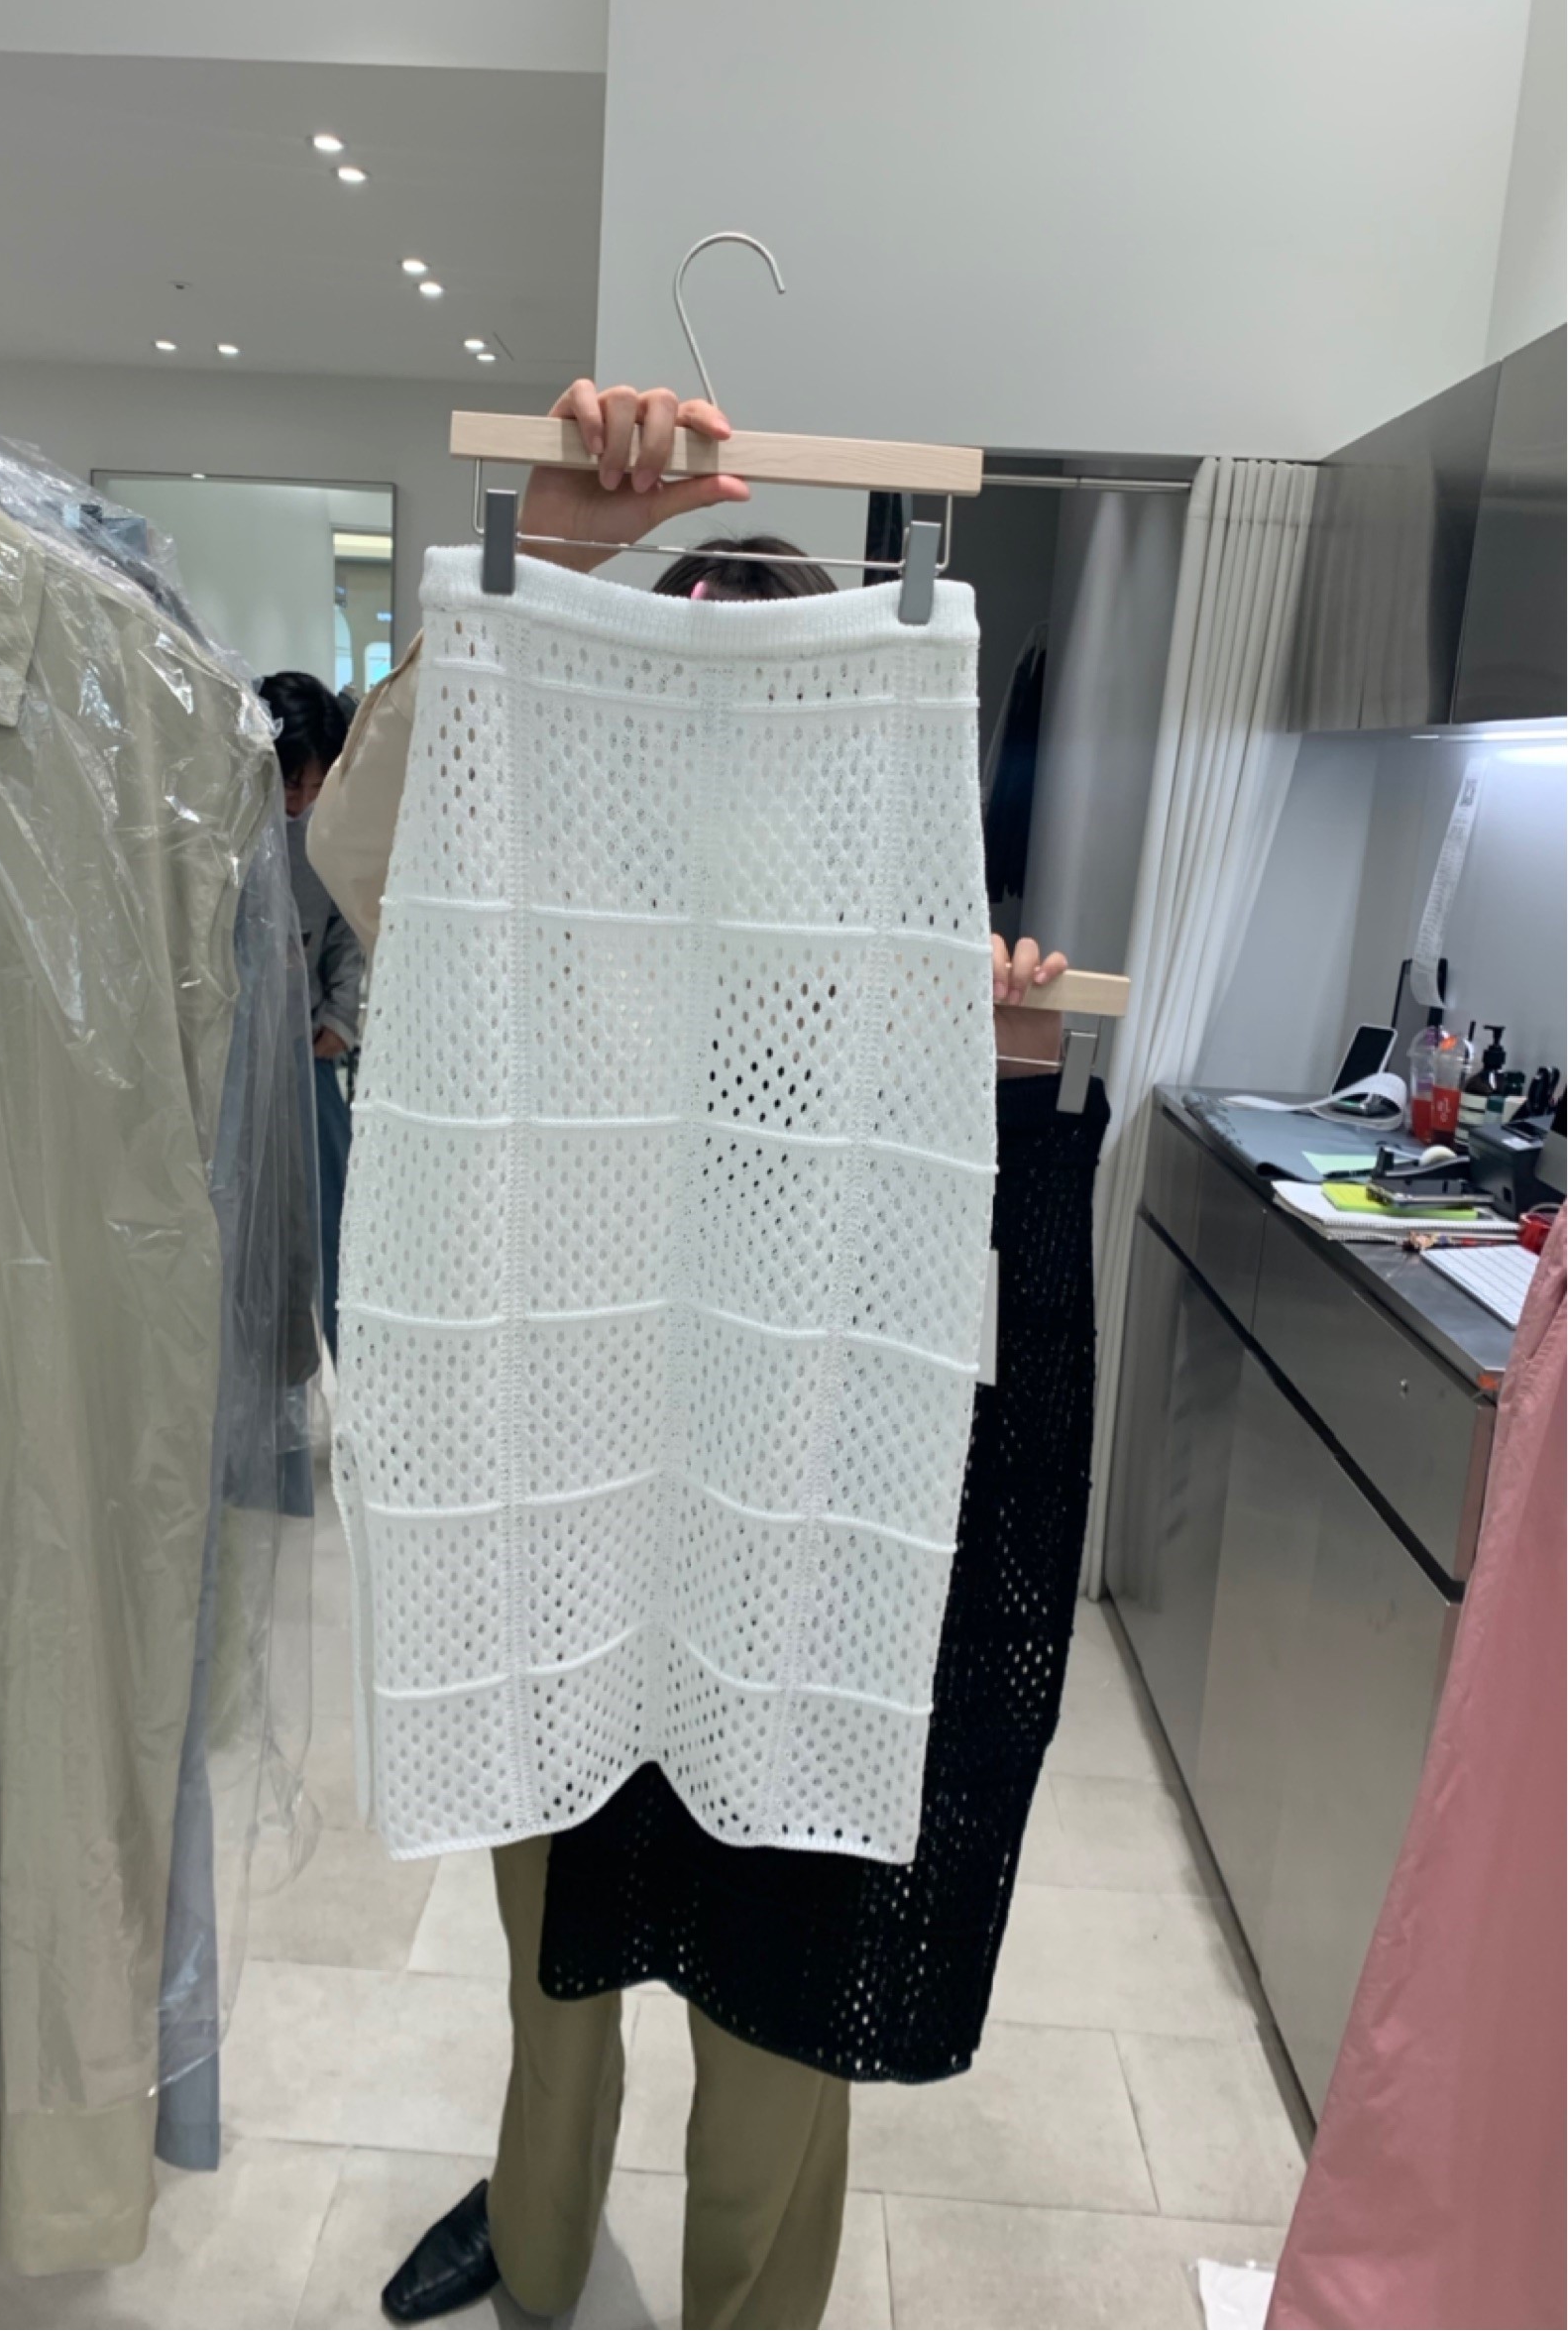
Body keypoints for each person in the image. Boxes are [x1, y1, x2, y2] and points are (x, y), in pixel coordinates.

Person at [307, 383, 1066, 2330]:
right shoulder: (532, 932)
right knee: (551, 1978)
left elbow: (969, 1327)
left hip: (787, 1572)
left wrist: (1000, 1083)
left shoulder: (891, 969)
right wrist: (557, 551)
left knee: (776, 2031)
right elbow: (361, 847)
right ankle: (531, 2234)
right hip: (562, 1541)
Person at [258, 668, 364, 1359]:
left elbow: (351, 921)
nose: (299, 802)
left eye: (314, 784)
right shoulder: (230, 825)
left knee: (335, 1227)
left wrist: (342, 1017)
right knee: (252, 1233)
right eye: (289, 784)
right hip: (240, 1058)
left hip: (309, 1049)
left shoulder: (333, 826)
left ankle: (355, 1379)